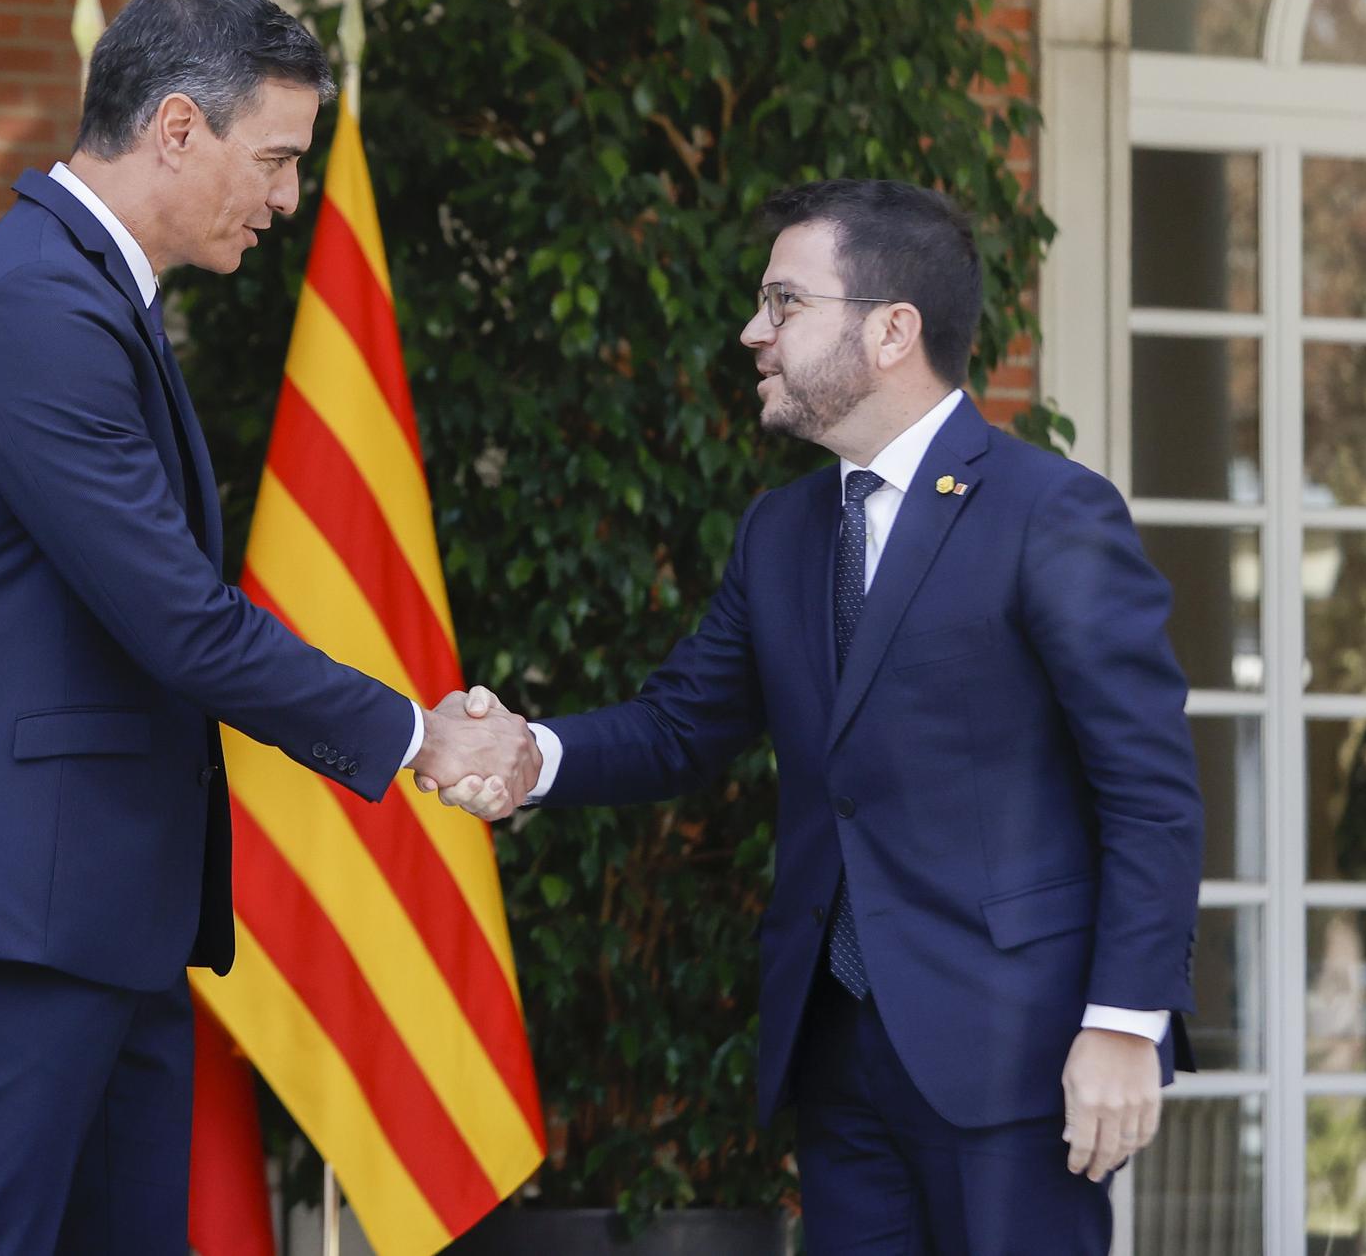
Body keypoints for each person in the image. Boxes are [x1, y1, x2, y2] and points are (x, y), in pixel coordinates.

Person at [0, 0, 538, 1255]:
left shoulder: (88, 299)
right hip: (17, 919)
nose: (285, 196)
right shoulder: (36, 308)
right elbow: (180, 620)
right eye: (273, 158)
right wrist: (418, 738)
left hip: (98, 911)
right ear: (174, 128)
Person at [432, 180, 1203, 1254]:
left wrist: (1121, 1023)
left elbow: (1149, 790)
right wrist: (529, 752)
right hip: (834, 1053)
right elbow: (679, 726)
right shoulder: (779, 531)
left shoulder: (1049, 513)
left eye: (783, 303)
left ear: (891, 330)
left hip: (1013, 1057)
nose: (753, 331)